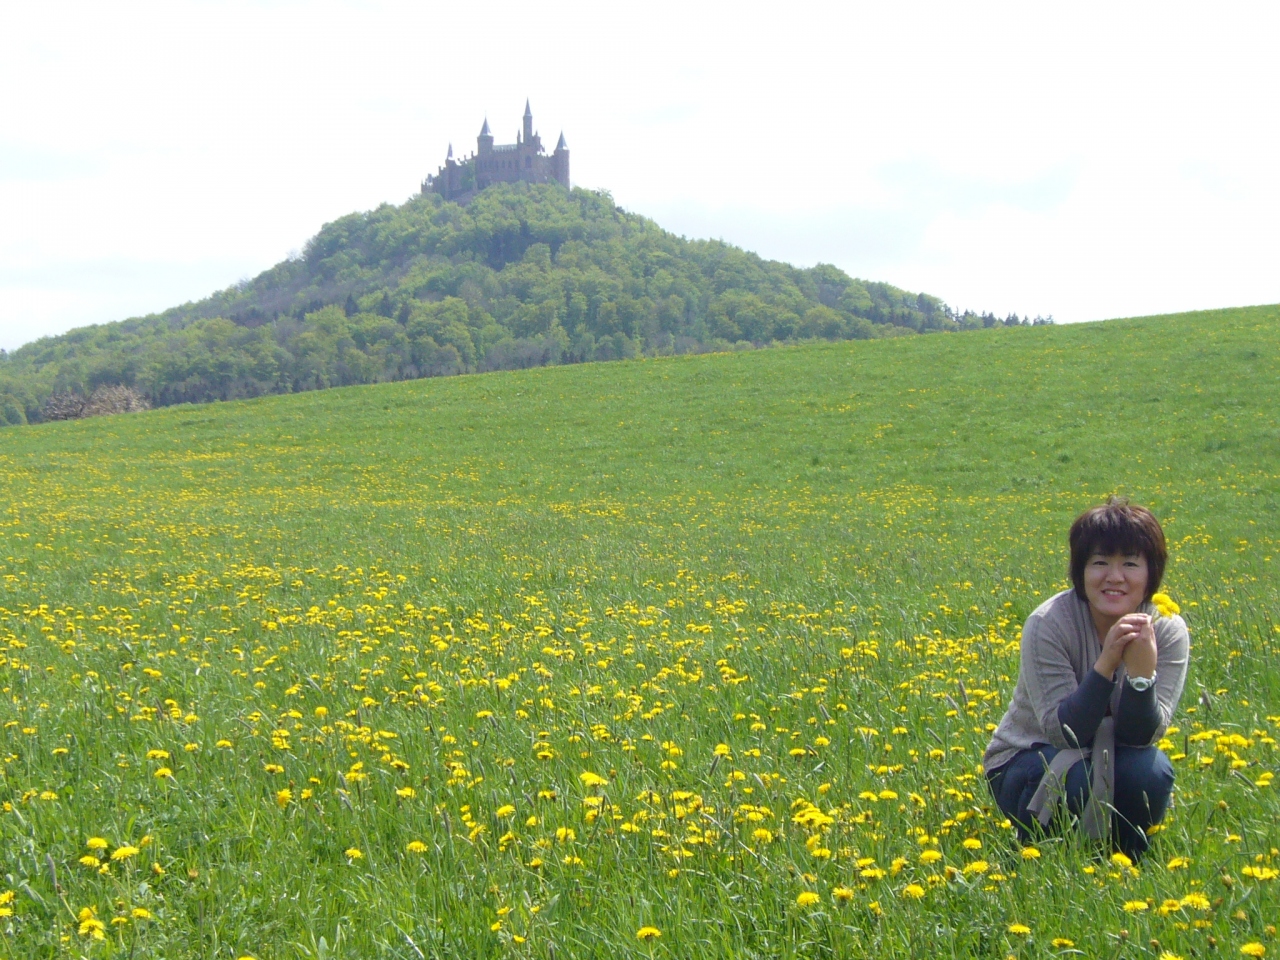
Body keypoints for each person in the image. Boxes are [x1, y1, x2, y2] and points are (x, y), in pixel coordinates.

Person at [984, 497, 1189, 859]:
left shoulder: (1167, 630)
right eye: (1099, 563)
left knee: (1150, 771)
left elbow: (1142, 738)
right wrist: (1107, 663)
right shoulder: (1048, 623)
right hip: (1028, 756)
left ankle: (1125, 861)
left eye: (1130, 563)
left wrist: (1142, 678)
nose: (1114, 577)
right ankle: (1055, 859)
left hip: (1115, 754)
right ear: (1080, 572)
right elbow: (1062, 732)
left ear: (1151, 573)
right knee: (1074, 779)